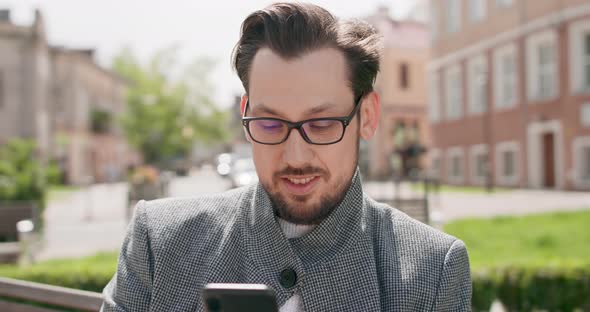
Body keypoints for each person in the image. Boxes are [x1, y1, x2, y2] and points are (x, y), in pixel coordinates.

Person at [101, 3, 472, 311]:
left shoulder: (433, 271)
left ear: (368, 117)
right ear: (246, 115)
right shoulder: (160, 243)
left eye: (323, 123)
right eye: (269, 123)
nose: (295, 156)